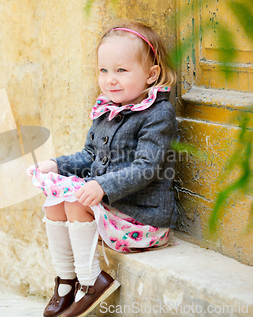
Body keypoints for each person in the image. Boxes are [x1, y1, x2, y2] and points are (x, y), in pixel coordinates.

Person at [26, 19, 179, 317]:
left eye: (122, 70)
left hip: (142, 218)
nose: (111, 79)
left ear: (151, 74)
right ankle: (66, 282)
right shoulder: (105, 110)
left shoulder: (159, 114)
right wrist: (56, 165)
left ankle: (91, 281)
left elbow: (146, 167)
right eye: (103, 70)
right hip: (113, 208)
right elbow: (89, 156)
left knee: (76, 204)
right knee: (54, 202)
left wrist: (103, 186)